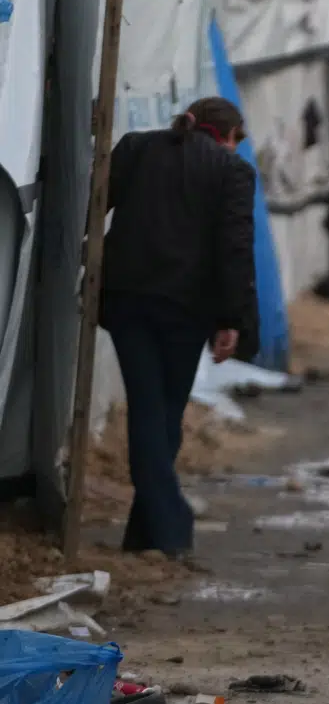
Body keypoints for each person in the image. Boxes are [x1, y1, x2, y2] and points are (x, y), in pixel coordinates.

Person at [101, 96, 258, 559]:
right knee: (162, 413)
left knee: (156, 414)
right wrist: (233, 320)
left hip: (128, 301)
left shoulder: (136, 149)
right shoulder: (232, 173)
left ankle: (145, 535)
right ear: (226, 135)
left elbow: (94, 204)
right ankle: (172, 524)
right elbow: (235, 250)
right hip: (186, 312)